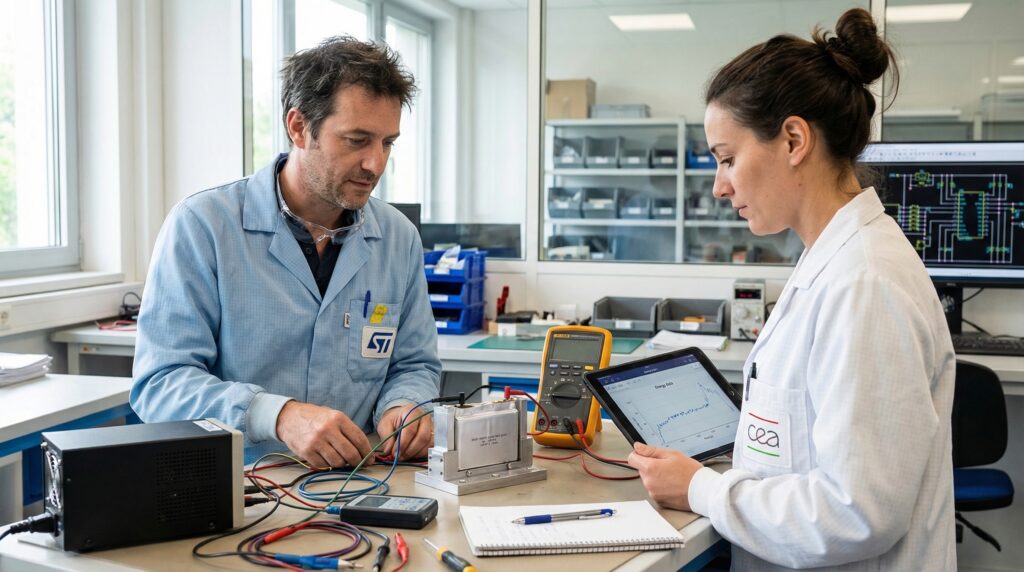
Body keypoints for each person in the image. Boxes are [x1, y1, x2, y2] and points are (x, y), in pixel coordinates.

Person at [627, 9, 957, 570]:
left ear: (794, 140)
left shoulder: (865, 284)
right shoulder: (829, 260)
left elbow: (857, 512)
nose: (719, 186)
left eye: (728, 159)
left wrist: (701, 488)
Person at [131, 36, 441, 467]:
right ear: (298, 127)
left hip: (359, 480)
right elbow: (160, 384)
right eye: (357, 140)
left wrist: (404, 405)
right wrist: (276, 415)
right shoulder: (203, 226)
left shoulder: (398, 238)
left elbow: (414, 365)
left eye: (387, 142)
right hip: (243, 482)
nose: (376, 164)